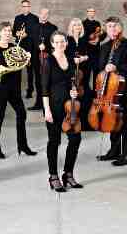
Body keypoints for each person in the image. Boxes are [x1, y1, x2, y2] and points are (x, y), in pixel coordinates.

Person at [0, 21, 37, 159]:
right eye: (5, 31)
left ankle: (23, 145)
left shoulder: (14, 46)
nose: (8, 33)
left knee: (22, 114)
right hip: (1, 88)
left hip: (14, 88)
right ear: (0, 32)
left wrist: (28, 58)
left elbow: (23, 63)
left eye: (9, 31)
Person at [42, 31, 83, 192]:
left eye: (63, 41)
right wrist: (47, 110)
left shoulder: (71, 62)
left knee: (75, 139)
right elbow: (44, 89)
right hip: (53, 107)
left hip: (70, 107)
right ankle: (53, 176)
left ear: (66, 43)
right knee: (54, 142)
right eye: (57, 42)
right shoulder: (48, 61)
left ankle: (68, 173)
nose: (60, 44)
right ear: (52, 44)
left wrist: (75, 92)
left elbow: (73, 84)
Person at [96, 17, 127, 167]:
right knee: (112, 121)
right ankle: (114, 151)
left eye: (115, 26)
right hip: (109, 90)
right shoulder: (105, 46)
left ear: (120, 28)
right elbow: (101, 67)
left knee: (124, 122)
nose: (112, 29)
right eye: (109, 26)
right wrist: (105, 68)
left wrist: (116, 67)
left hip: (125, 89)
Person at [13, 0, 41, 109]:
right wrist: (18, 33)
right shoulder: (17, 18)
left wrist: (27, 34)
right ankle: (17, 92)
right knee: (18, 69)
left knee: (30, 70)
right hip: (20, 47)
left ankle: (30, 90)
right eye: (23, 6)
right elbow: (14, 31)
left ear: (30, 7)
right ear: (21, 7)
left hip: (31, 47)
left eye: (27, 6)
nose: (25, 8)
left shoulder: (34, 18)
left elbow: (36, 33)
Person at [66, 18, 92, 129]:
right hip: (71, 71)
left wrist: (84, 58)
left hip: (83, 71)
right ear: (71, 27)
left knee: (86, 96)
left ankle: (85, 123)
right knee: (72, 95)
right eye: (75, 25)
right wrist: (73, 59)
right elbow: (64, 55)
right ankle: (71, 121)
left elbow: (90, 54)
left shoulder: (84, 40)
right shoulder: (67, 40)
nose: (77, 27)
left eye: (79, 25)